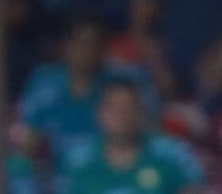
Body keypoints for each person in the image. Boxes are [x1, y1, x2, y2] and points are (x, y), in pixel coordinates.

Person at [19, 17, 157, 163]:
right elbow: (28, 137)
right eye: (80, 43)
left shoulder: (124, 83)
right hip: (55, 175)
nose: (88, 50)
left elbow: (148, 133)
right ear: (66, 46)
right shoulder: (45, 80)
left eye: (95, 44)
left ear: (104, 49)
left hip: (111, 170)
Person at [59, 80, 203, 194]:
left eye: (129, 107)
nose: (122, 115)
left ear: (141, 113)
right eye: (113, 108)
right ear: (100, 114)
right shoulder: (75, 161)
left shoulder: (174, 153)